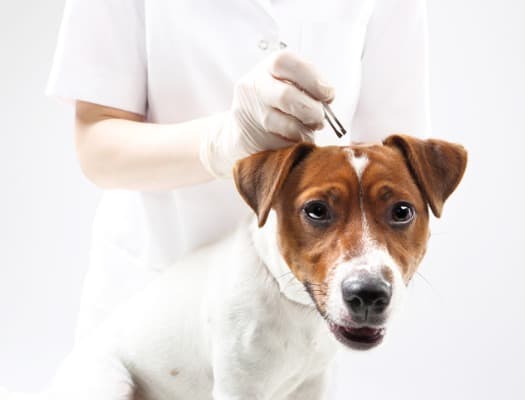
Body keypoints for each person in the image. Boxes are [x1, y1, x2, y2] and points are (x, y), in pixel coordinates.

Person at [47, 0, 430, 342]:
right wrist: (219, 141)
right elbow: (98, 149)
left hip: (293, 327)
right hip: (146, 307)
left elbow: (392, 167)